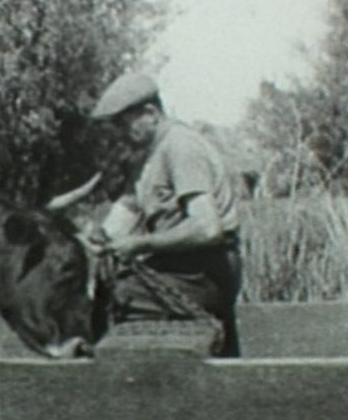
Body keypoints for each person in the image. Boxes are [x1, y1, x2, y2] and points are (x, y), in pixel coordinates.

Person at [85, 72, 242, 357]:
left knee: (125, 295)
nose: (120, 134)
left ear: (151, 113)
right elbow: (131, 205)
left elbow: (207, 228)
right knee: (105, 285)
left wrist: (142, 244)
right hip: (180, 267)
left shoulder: (181, 148)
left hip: (206, 270)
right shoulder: (148, 153)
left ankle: (147, 382)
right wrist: (102, 236)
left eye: (124, 125)